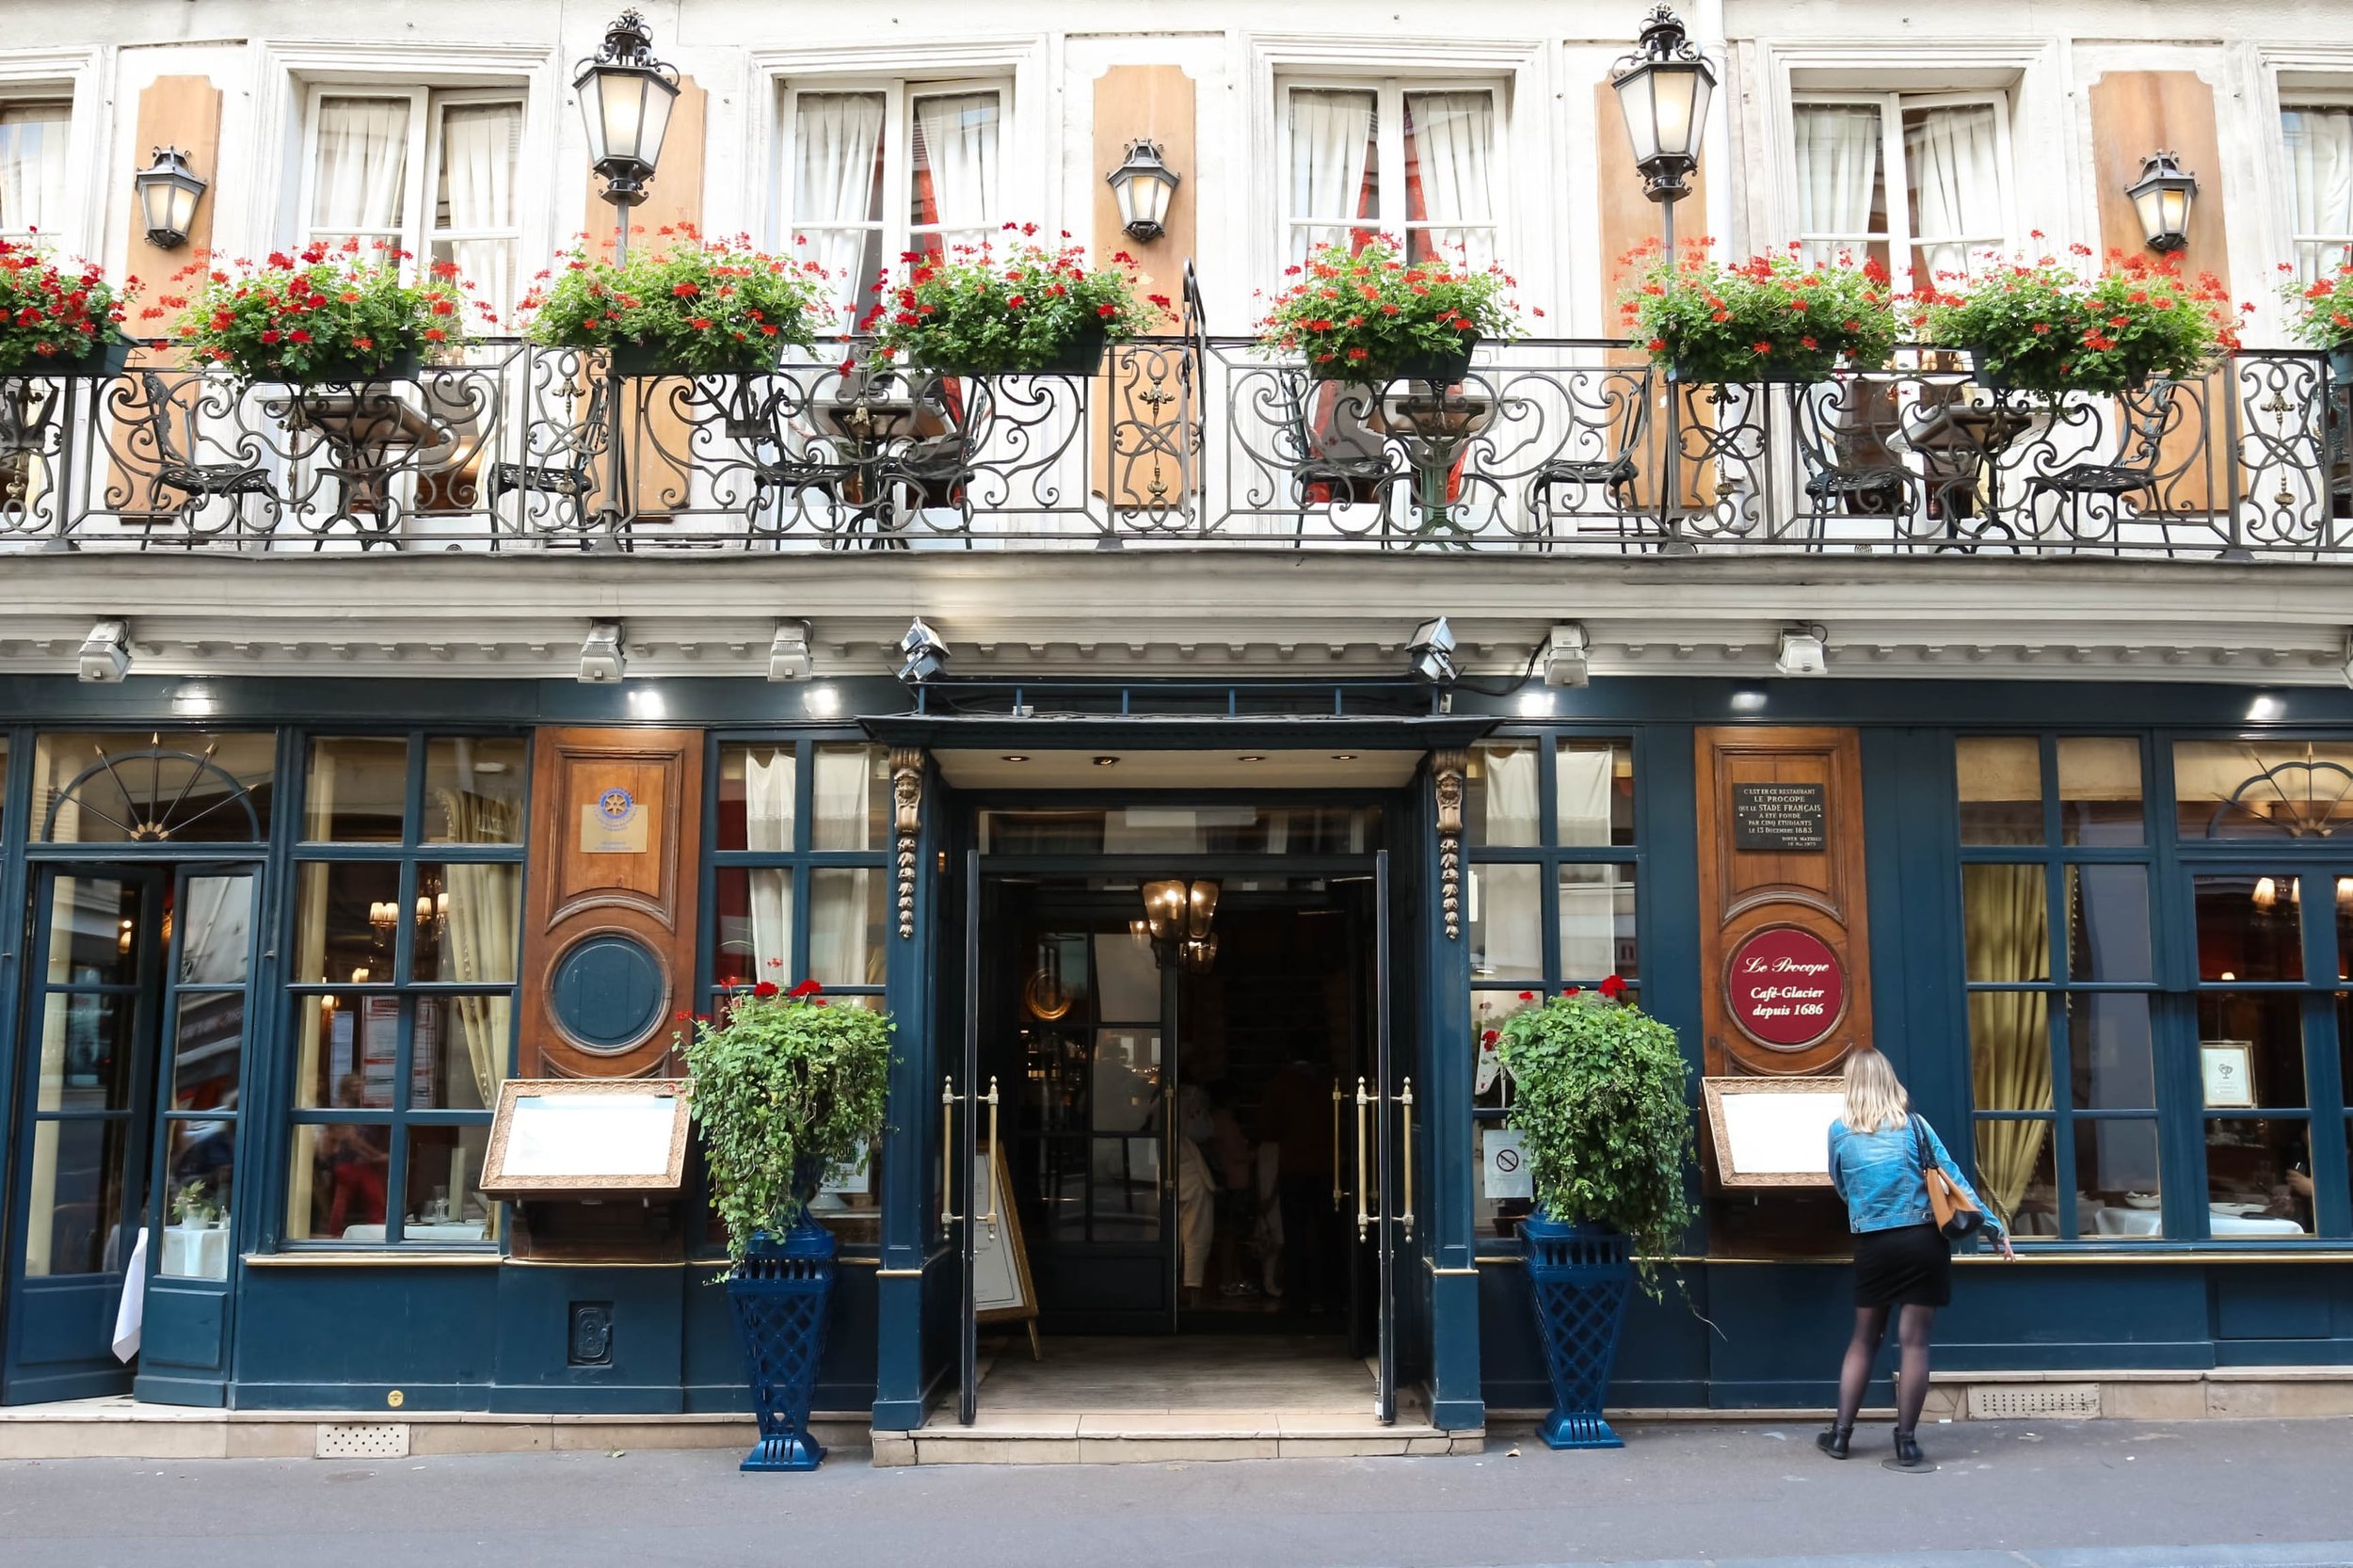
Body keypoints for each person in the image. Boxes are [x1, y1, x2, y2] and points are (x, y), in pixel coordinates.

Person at [1819, 1049, 2014, 1469]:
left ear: (1851, 1085)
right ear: (1890, 1080)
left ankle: (1840, 1436)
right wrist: (1993, 1228)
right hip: (1923, 1241)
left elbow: (1840, 1186)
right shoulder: (1916, 1127)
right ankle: (1906, 1443)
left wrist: (1869, 1210)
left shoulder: (1839, 1131)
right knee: (1914, 1342)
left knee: (1863, 1339)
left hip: (1874, 1244)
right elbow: (1954, 1179)